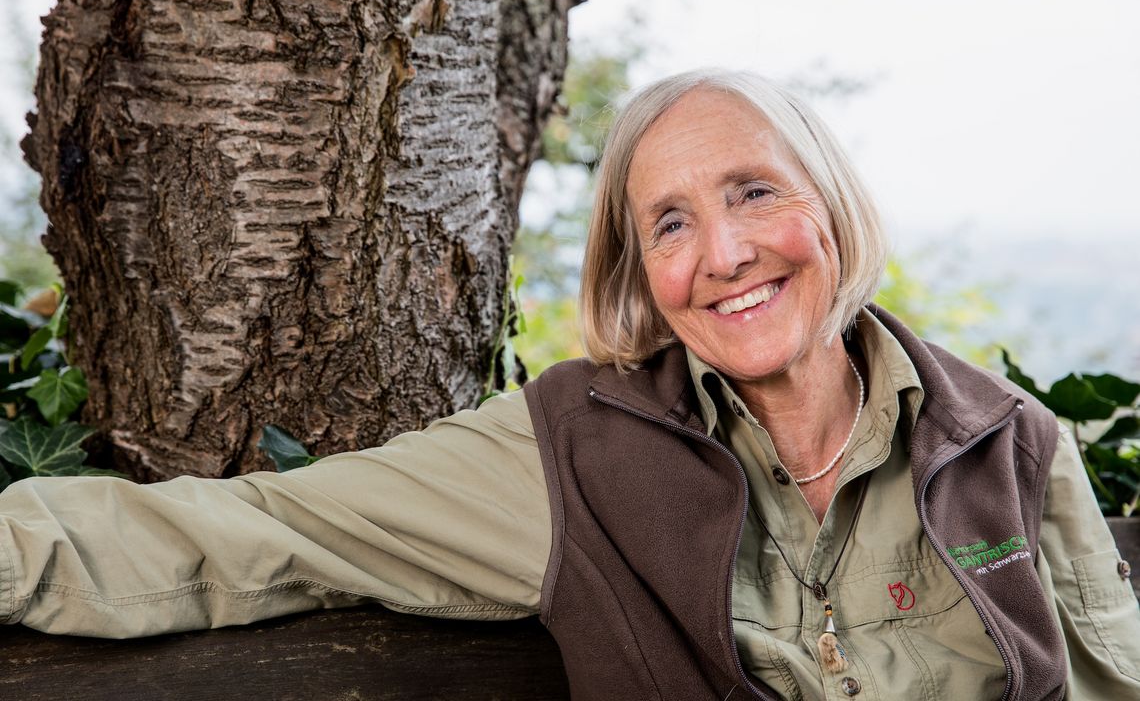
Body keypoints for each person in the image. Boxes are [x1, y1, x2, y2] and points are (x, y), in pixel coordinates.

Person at [1, 69, 1137, 700]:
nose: (724, 254)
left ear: (831, 209)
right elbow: (260, 529)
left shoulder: (1009, 443)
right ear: (640, 272)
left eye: (754, 192)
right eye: (671, 223)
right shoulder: (572, 452)